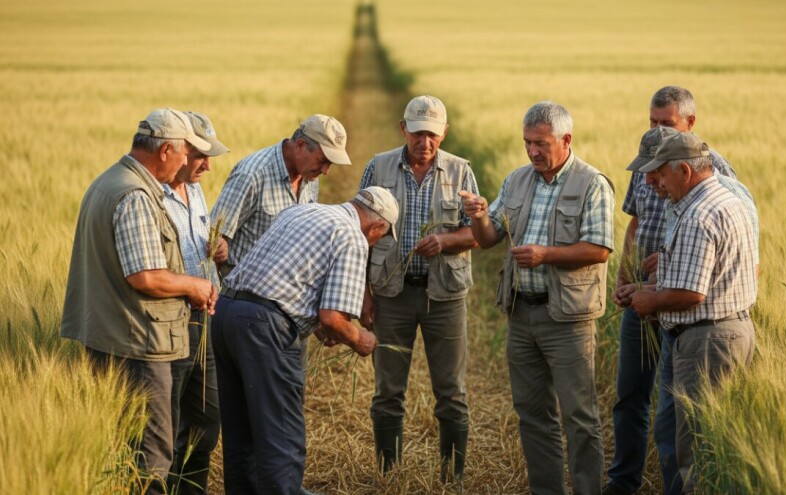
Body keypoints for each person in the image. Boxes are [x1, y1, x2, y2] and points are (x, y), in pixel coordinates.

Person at [61, 108, 219, 494]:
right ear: (165, 151)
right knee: (151, 460)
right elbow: (145, 276)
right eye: (186, 153)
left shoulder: (110, 181)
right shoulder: (135, 195)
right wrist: (194, 286)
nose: (188, 163)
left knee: (140, 452)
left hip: (122, 335)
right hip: (139, 342)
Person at [460, 101, 614, 495]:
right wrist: (478, 215)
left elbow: (599, 249)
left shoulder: (592, 183)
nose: (532, 151)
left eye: (541, 143)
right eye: (527, 142)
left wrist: (546, 255)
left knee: (579, 417)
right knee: (532, 414)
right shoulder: (516, 179)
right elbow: (488, 238)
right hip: (521, 314)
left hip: (569, 319)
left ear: (566, 139)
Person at [211, 187, 398, 494]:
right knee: (280, 436)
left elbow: (286, 279)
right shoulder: (352, 236)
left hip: (225, 312)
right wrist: (360, 339)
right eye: (382, 236)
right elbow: (333, 319)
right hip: (263, 329)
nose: (377, 242)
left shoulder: (305, 211)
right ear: (377, 226)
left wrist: (313, 323)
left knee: (241, 433)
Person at [606, 86, 738, 495]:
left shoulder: (713, 170)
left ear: (690, 123)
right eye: (652, 121)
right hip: (643, 297)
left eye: (666, 123)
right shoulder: (645, 162)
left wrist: (668, 268)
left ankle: (671, 484)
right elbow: (635, 222)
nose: (657, 130)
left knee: (674, 411)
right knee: (630, 395)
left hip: (680, 305)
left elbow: (724, 235)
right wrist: (625, 278)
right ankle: (624, 482)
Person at [359, 95, 480, 481]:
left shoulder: (461, 171)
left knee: (451, 391)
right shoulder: (378, 167)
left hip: (444, 296)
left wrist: (445, 241)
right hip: (390, 294)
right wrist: (363, 295)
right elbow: (359, 234)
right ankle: (389, 476)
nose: (424, 142)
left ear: (444, 133)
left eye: (432, 134)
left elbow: (478, 233)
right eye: (416, 133)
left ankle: (452, 479)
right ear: (403, 129)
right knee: (388, 390)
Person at [211, 113, 352, 385]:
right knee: (259, 395)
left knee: (291, 392)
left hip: (292, 312)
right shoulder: (252, 174)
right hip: (250, 312)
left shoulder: (310, 178)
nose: (326, 171)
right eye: (323, 161)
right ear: (300, 145)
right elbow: (216, 239)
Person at [162, 111, 229, 495]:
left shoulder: (196, 188)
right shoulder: (152, 195)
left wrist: (218, 248)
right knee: (167, 425)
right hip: (171, 323)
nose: (207, 165)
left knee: (207, 421)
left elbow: (199, 245)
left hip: (206, 319)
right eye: (200, 155)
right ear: (179, 149)